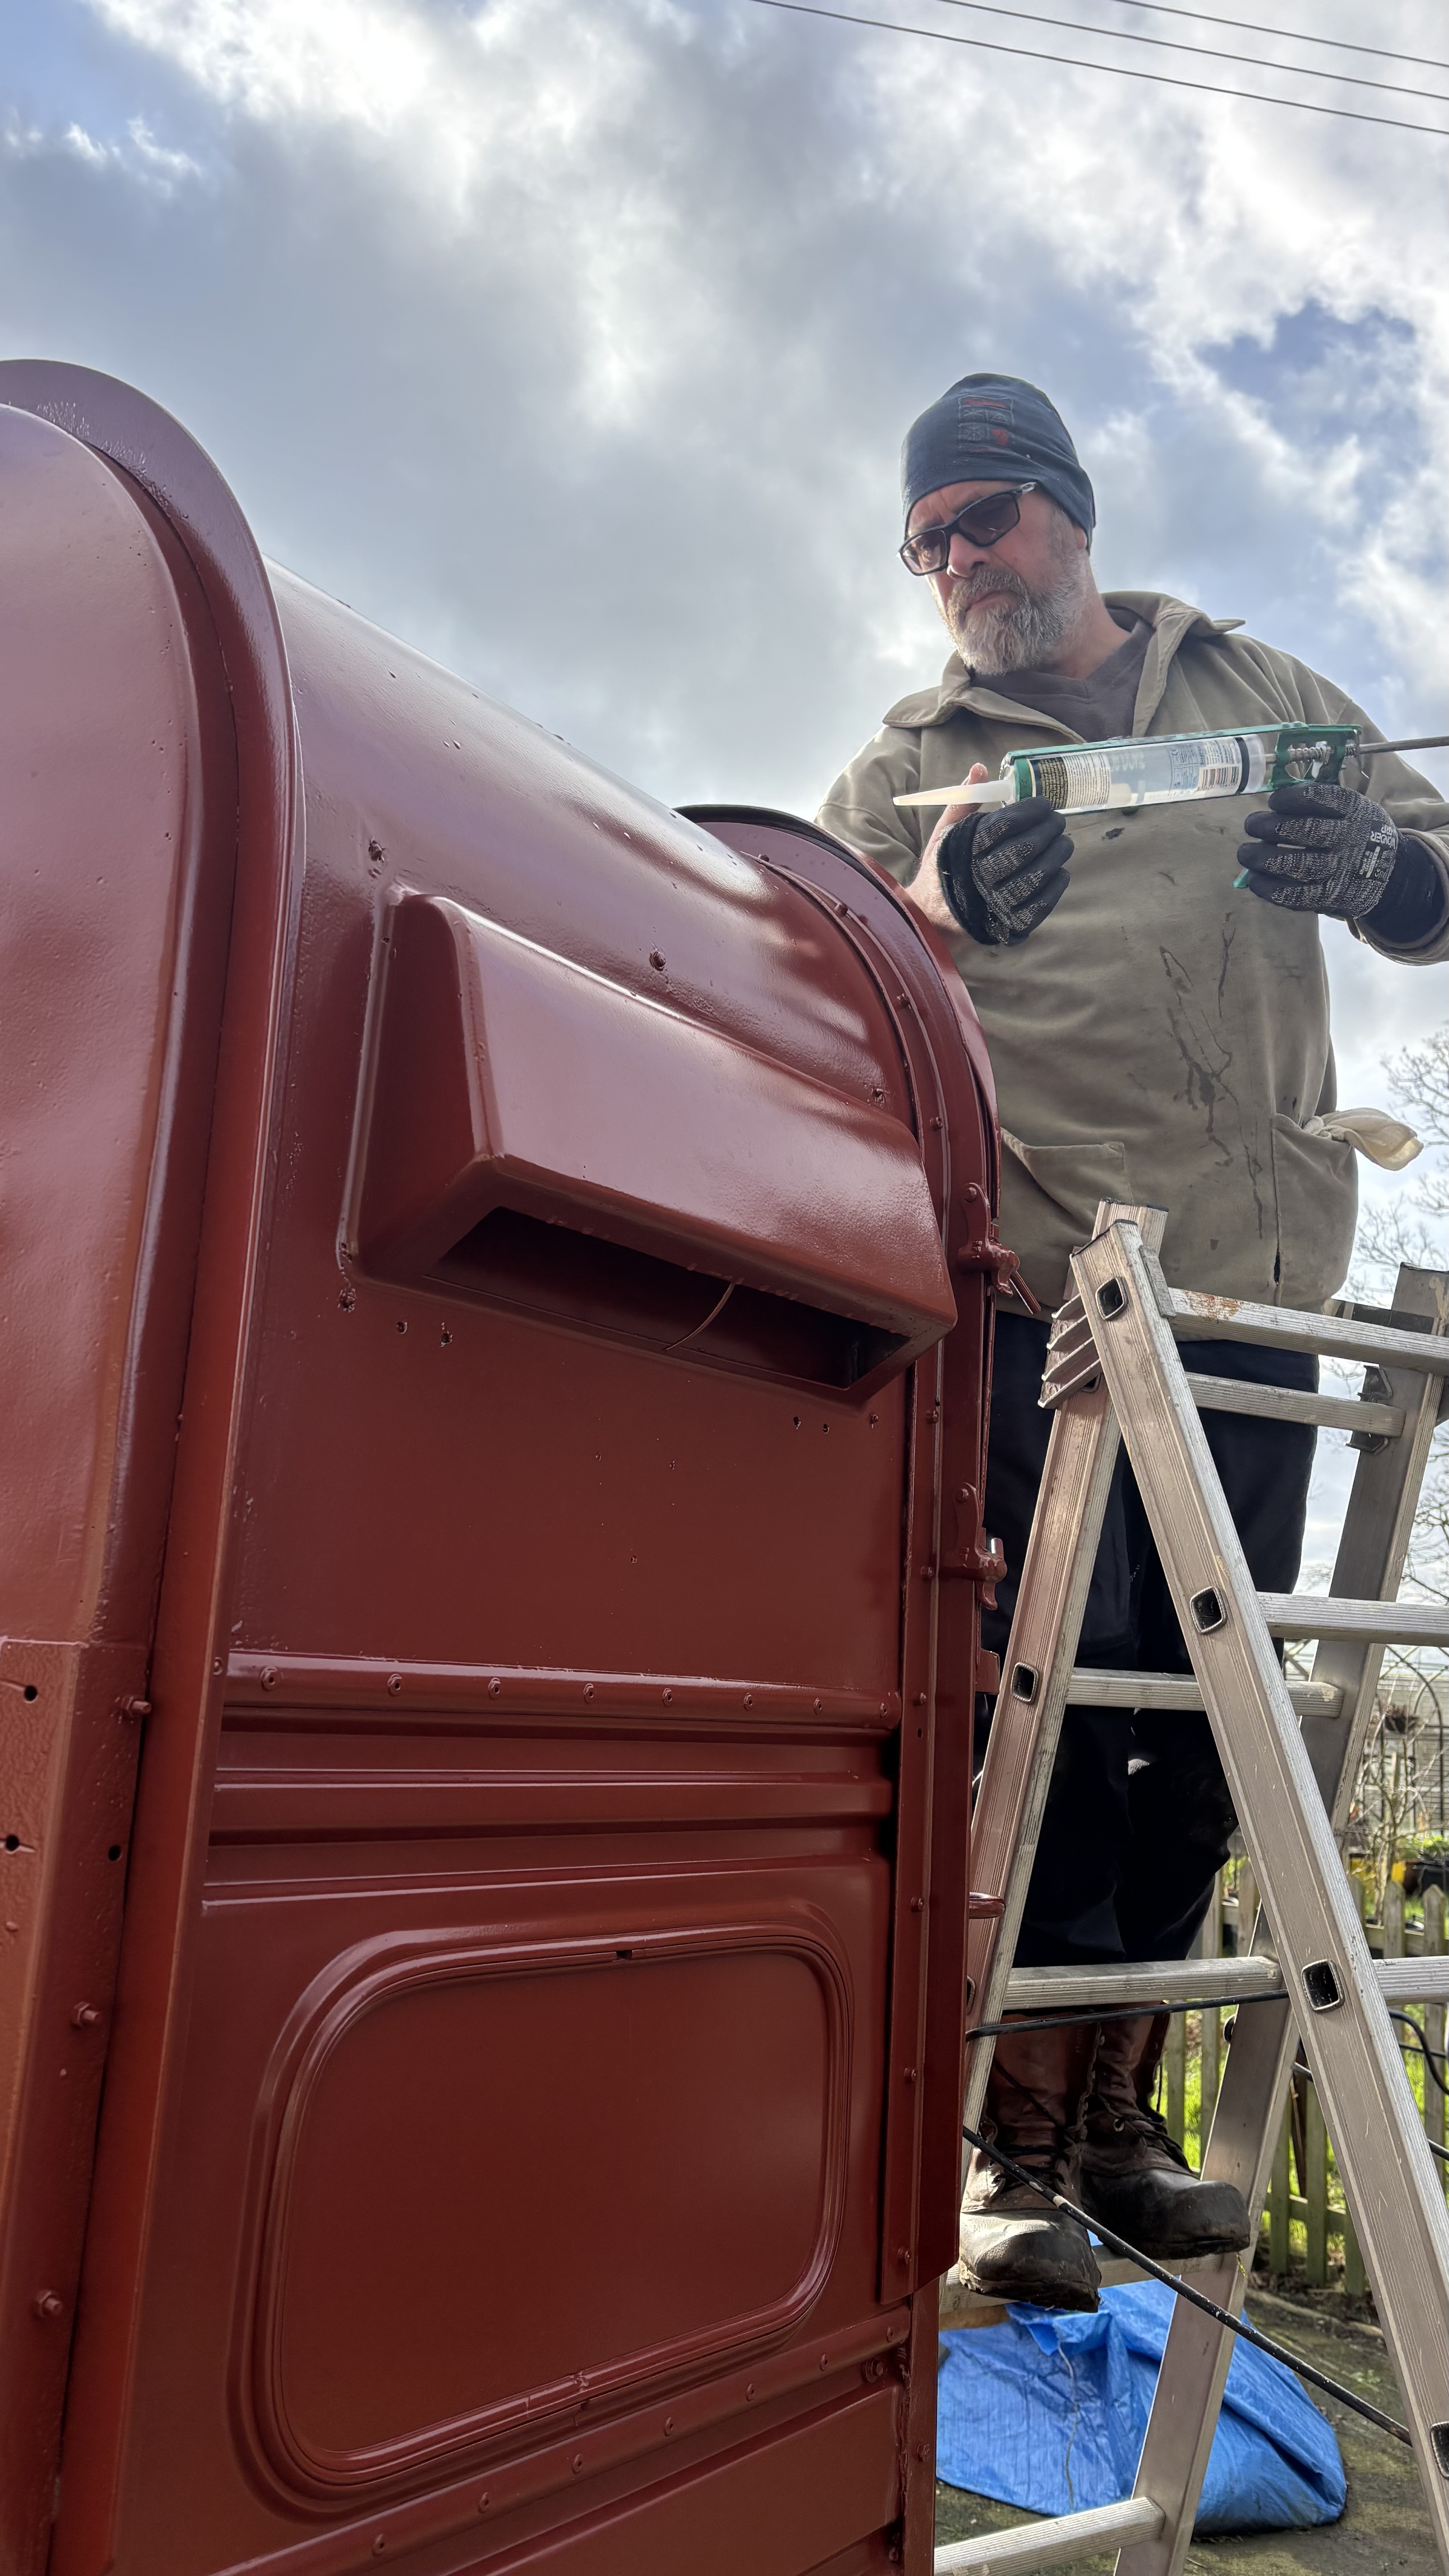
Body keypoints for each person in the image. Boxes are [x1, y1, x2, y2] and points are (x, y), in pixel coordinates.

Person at [818, 373, 1449, 2310]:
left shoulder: (1260, 691)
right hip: (1046, 1302)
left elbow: (1439, 886)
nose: (955, 563)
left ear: (1069, 512)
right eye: (926, 543)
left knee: (1206, 1723)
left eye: (982, 519)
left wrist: (1388, 874)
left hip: (1253, 1292)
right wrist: (928, 913)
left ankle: (1119, 2125)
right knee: (1064, 1716)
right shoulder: (909, 766)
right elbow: (815, 984)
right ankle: (1011, 2140)